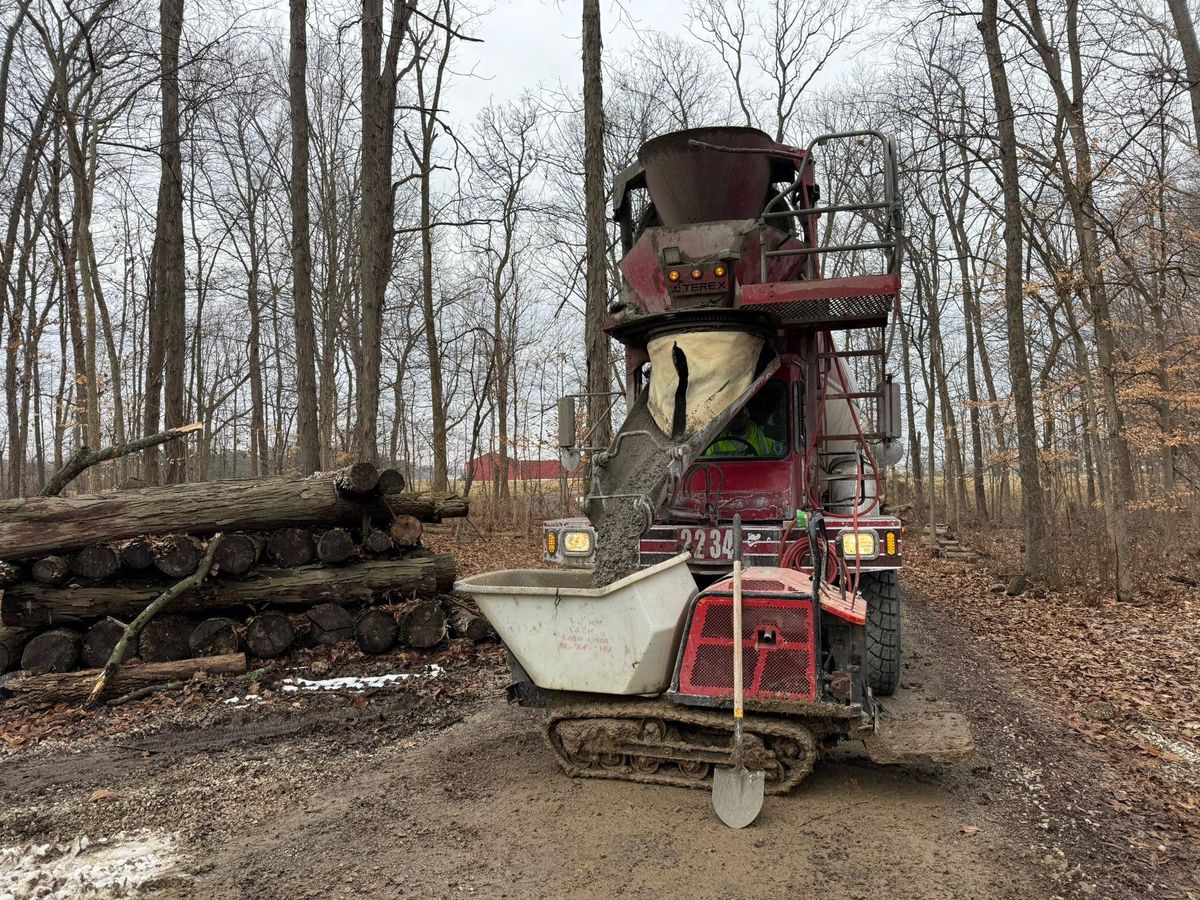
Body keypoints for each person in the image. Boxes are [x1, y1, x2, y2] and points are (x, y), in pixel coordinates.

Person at [704, 408, 783, 458]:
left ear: (747, 417)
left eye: (739, 416)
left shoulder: (768, 445)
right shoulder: (714, 447)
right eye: (731, 417)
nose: (735, 420)